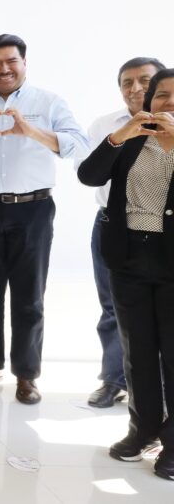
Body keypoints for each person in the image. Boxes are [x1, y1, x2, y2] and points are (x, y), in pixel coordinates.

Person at [0, 34, 89, 404]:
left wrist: (32, 131)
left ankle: (26, 375)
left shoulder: (49, 102)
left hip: (33, 209)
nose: (4, 69)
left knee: (29, 297)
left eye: (11, 61)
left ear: (24, 63)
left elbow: (78, 145)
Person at [77, 68, 174, 480]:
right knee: (137, 354)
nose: (166, 102)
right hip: (129, 257)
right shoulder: (131, 138)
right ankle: (142, 430)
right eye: (161, 95)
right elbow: (89, 175)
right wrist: (120, 136)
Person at [85, 57, 165, 408]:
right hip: (113, 226)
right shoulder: (109, 125)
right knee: (113, 310)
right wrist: (119, 136)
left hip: (164, 234)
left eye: (145, 81)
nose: (135, 89)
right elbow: (90, 173)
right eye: (126, 82)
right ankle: (114, 381)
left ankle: (157, 395)